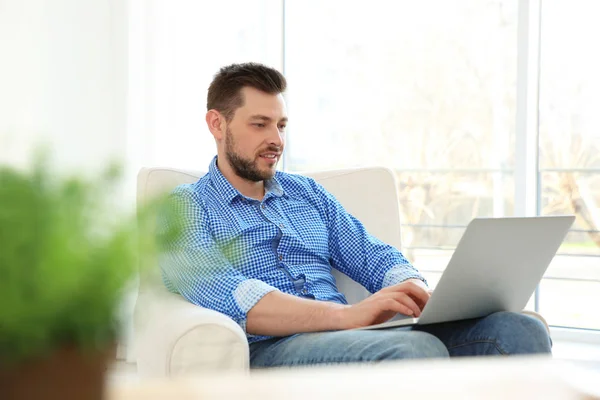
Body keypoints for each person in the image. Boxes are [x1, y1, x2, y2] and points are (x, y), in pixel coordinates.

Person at [159, 62, 551, 368]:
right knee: (413, 350)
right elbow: (234, 297)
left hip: (356, 336)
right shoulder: (184, 207)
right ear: (217, 123)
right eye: (259, 125)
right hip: (277, 349)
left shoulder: (306, 193)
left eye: (280, 125)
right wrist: (348, 315)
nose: (276, 140)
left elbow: (373, 255)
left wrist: (413, 290)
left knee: (520, 329)